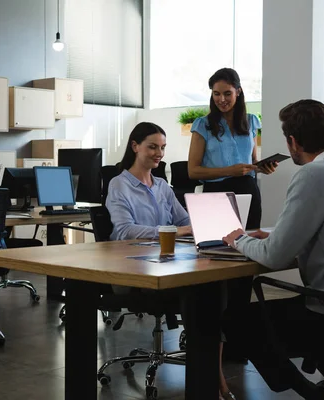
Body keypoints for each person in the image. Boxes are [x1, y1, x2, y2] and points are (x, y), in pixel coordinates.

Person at [222, 99, 324, 399]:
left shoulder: (312, 175)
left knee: (236, 320)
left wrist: (238, 239)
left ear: (293, 141)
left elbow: (274, 257)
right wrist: (272, 238)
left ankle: (306, 392)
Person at [106, 122, 236, 400]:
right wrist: (175, 231)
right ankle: (212, 374)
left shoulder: (162, 186)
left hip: (168, 263)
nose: (158, 153)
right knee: (199, 291)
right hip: (134, 268)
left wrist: (210, 222)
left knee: (216, 285)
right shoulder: (119, 184)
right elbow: (123, 230)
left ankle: (212, 369)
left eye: (162, 148)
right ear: (135, 146)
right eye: (152, 147)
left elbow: (186, 221)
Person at [188, 67, 276, 230]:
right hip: (216, 194)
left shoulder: (251, 121)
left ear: (238, 92)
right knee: (217, 245)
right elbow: (193, 171)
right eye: (216, 94)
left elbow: (253, 161)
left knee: (250, 241)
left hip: (248, 191)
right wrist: (230, 171)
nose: (221, 99)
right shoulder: (203, 125)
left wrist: (263, 167)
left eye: (227, 93)